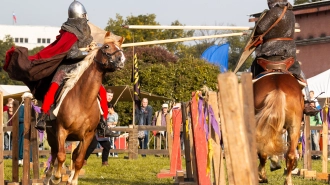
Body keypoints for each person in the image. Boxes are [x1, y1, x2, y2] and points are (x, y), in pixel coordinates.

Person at [3, 1, 113, 136]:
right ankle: (43, 116)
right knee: (54, 86)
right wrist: (87, 52)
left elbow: (91, 45)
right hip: (67, 66)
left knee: (100, 90)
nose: (85, 17)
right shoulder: (69, 32)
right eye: (83, 15)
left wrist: (96, 47)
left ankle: (103, 123)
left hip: (83, 67)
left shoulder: (86, 30)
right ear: (79, 15)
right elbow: (70, 53)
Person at [244, 0, 318, 116]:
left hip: (268, 55)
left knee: (249, 73)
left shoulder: (273, 12)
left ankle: (245, 101)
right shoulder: (291, 14)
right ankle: (308, 101)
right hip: (288, 56)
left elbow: (260, 29)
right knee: (301, 75)